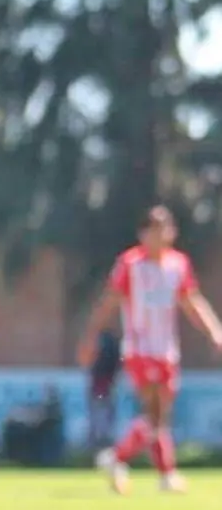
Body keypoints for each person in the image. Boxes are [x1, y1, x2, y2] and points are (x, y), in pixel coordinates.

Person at [78, 205, 222, 494]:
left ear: (171, 232)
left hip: (167, 349)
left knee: (159, 414)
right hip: (139, 347)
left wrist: (214, 331)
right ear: (142, 234)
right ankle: (150, 469)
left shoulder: (178, 265)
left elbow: (191, 301)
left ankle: (130, 463)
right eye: (151, 229)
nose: (157, 235)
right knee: (155, 410)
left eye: (163, 228)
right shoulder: (130, 264)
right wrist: (90, 337)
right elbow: (109, 302)